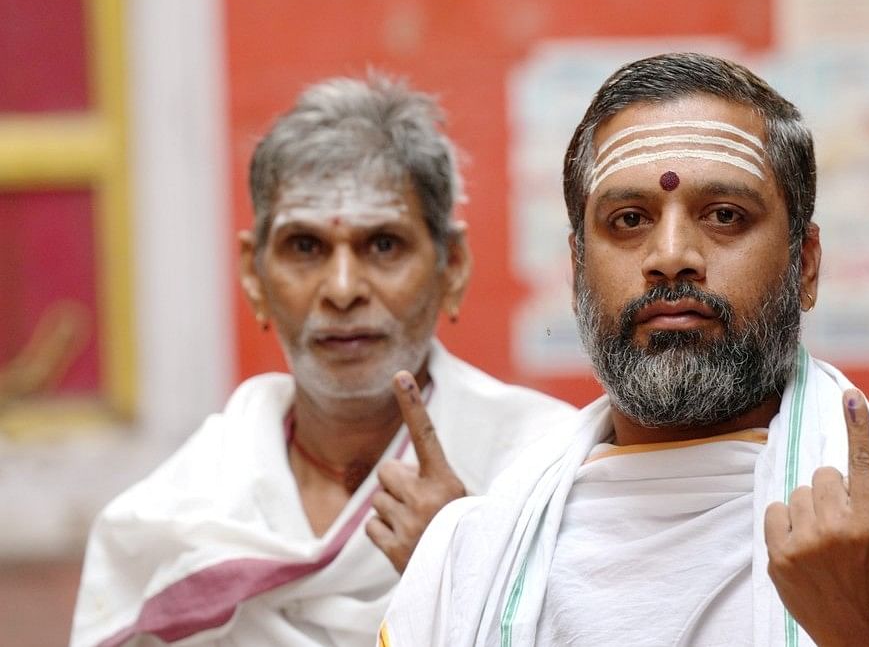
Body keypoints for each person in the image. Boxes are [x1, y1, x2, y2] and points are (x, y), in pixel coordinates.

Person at [378, 53, 869, 646]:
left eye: (724, 216)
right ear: (576, 271)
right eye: (628, 220)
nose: (672, 255)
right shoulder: (468, 560)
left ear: (805, 265)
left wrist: (868, 631)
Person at [71, 75, 576, 647]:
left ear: (452, 265)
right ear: (253, 275)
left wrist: (469, 569)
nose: (341, 290)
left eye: (384, 244)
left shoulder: (545, 475)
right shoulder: (174, 519)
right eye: (305, 247)